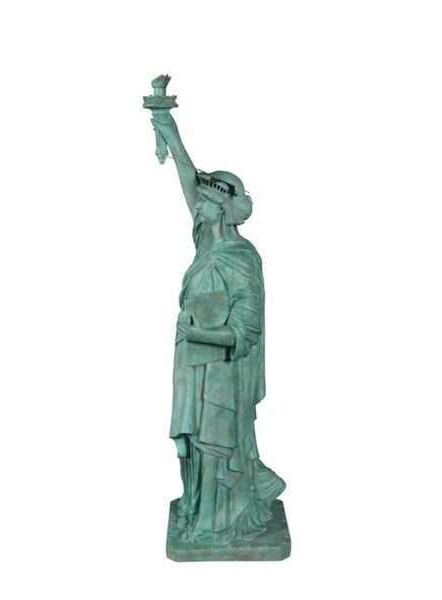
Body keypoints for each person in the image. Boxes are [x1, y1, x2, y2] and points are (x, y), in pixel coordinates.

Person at [152, 111, 285, 543]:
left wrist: (197, 334)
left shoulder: (242, 259)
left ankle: (218, 523)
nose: (198, 203)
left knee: (214, 446)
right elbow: (188, 177)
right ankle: (196, 510)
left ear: (223, 209)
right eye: (201, 199)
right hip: (192, 362)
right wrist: (166, 125)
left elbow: (246, 333)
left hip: (223, 371)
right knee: (191, 444)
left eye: (207, 200)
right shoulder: (207, 241)